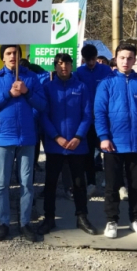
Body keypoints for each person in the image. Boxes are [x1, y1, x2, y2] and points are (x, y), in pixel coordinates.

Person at [95, 43, 137, 239]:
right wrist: (104, 137)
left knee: (136, 185)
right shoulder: (106, 83)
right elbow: (99, 112)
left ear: (135, 60)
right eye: (122, 57)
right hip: (113, 143)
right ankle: (112, 221)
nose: (126, 61)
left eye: (130, 58)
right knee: (112, 185)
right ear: (116, 58)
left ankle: (136, 220)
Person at [0, 45, 45, 242]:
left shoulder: (31, 77)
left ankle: (25, 223)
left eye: (15, 53)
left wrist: (26, 92)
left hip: (27, 137)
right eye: (8, 53)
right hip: (3, 138)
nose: (12, 56)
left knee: (26, 183)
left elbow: (43, 104)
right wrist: (8, 94)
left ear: (21, 56)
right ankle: (4, 223)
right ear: (3, 57)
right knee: (2, 184)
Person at [38, 53, 96, 236]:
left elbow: (87, 115)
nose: (63, 67)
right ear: (55, 67)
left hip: (77, 144)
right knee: (51, 183)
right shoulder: (47, 88)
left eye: (67, 64)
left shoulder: (81, 87)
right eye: (60, 64)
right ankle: (49, 218)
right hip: (55, 144)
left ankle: (82, 217)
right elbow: (43, 115)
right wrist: (56, 137)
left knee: (79, 183)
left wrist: (79, 136)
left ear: (72, 66)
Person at [76, 44, 113, 197]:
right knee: (89, 153)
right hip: (88, 120)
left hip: (106, 118)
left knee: (110, 151)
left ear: (97, 57)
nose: (90, 63)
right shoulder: (78, 72)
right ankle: (91, 183)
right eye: (87, 60)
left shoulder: (106, 70)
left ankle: (114, 182)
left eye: (93, 59)